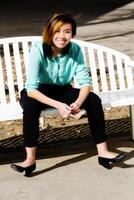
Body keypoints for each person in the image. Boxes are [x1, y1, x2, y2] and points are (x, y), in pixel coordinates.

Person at [11, 13, 126, 176]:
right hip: (37, 92)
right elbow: (31, 89)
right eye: (57, 31)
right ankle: (30, 160)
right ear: (50, 32)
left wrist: (78, 102)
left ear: (72, 34)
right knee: (30, 106)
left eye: (67, 31)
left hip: (62, 89)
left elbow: (85, 84)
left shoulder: (75, 50)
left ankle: (103, 153)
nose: (62, 36)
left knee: (93, 100)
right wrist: (58, 105)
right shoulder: (38, 49)